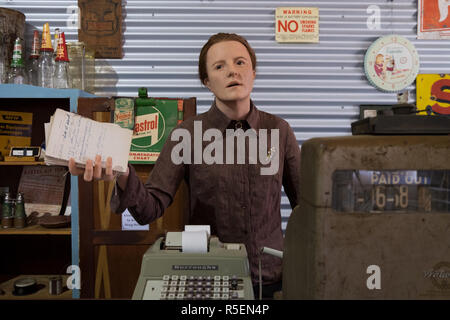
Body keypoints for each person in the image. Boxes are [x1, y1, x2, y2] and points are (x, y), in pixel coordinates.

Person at [69, 33, 301, 299]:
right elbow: (149, 208)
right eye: (219, 66)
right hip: (209, 278)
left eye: (240, 63)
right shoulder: (187, 134)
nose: (232, 72)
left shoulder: (279, 131)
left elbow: (306, 206)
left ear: (253, 73)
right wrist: (122, 173)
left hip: (270, 279)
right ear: (207, 82)